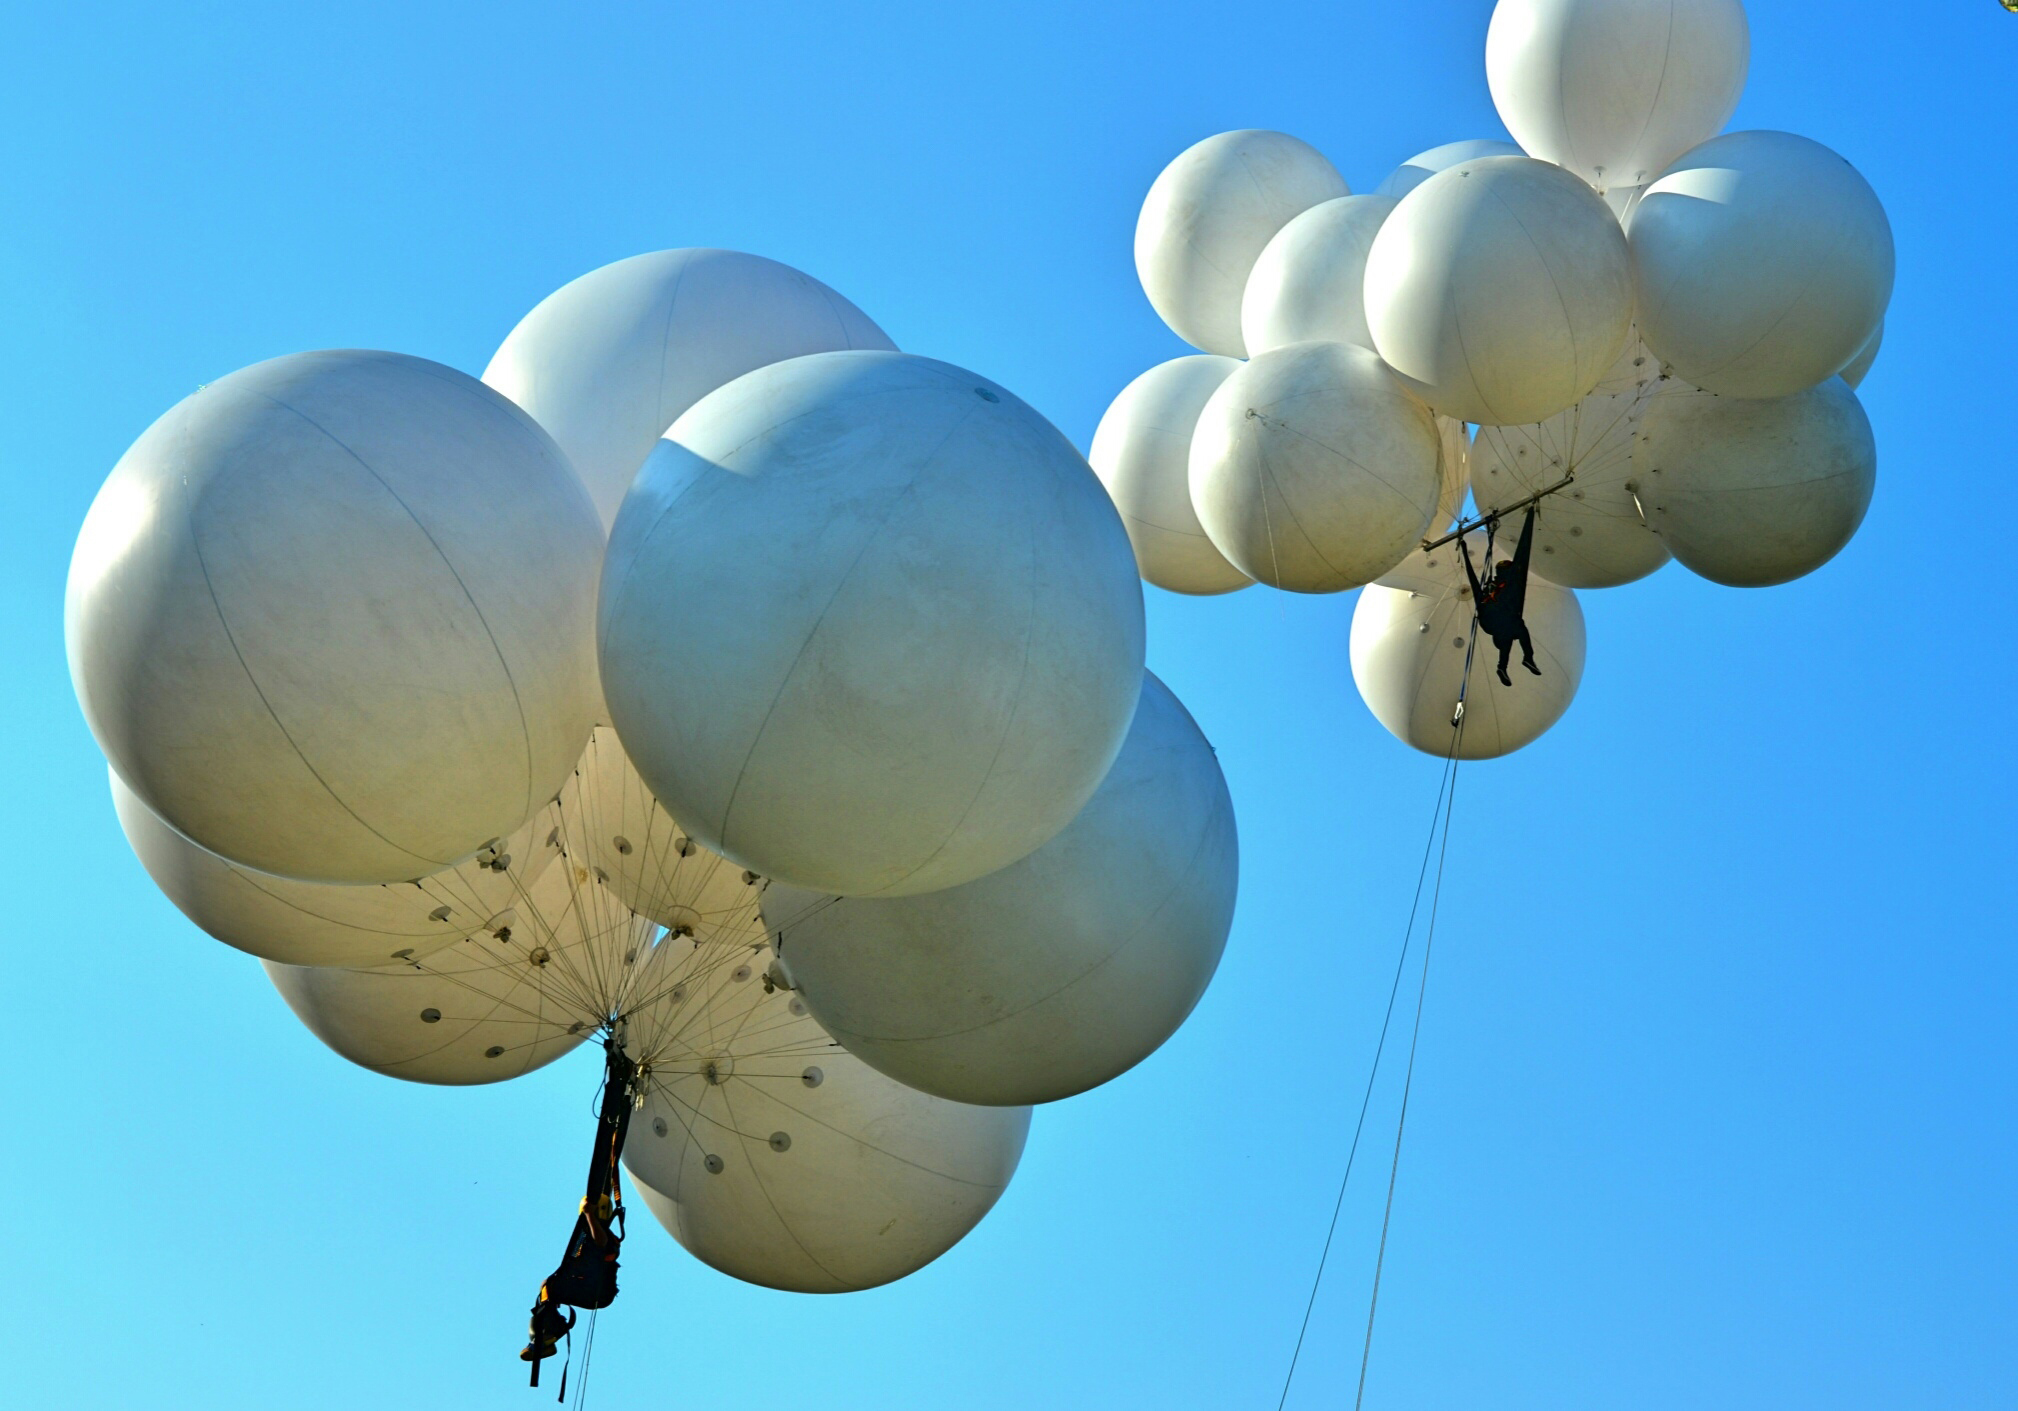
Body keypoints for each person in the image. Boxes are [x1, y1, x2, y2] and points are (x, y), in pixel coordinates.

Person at [521, 1041, 638, 1387]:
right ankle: (625, 1084)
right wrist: (589, 1216)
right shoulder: (575, 1287)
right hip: (596, 1241)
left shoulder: (558, 1290)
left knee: (607, 1153)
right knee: (608, 1153)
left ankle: (623, 1082)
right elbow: (601, 1246)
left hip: (589, 1268)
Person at [1460, 504, 1543, 687]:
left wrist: (1464, 550)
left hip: (1494, 616)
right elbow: (1475, 583)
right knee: (1518, 627)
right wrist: (1464, 550)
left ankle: (1506, 665)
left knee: (1512, 630)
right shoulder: (1502, 588)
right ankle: (1524, 659)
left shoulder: (1490, 593)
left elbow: (1475, 583)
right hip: (1499, 614)